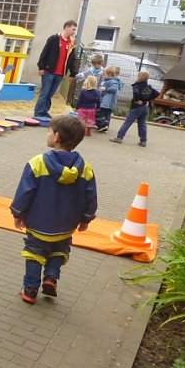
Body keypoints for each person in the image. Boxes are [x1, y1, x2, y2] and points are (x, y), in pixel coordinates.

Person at [10, 115, 97, 304]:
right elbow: (91, 195)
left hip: (39, 222)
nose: (47, 134)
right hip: (66, 224)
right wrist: (86, 218)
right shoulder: (85, 168)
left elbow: (25, 192)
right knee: (59, 250)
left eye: (49, 130)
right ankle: (50, 278)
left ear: (57, 137)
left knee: (34, 253)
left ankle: (31, 289)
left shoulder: (37, 163)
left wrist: (18, 213)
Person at [33, 20, 78, 119]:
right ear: (66, 27)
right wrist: (41, 67)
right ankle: (38, 112)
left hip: (60, 73)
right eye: (73, 29)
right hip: (49, 71)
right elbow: (44, 53)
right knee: (44, 93)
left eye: (75, 29)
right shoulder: (54, 39)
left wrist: (73, 72)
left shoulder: (72, 42)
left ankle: (45, 111)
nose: (74, 32)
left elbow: (72, 58)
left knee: (50, 94)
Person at [110, 71, 160, 147]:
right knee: (142, 124)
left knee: (128, 122)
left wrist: (137, 100)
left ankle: (119, 137)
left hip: (137, 108)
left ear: (139, 78)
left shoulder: (136, 86)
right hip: (145, 108)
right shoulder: (148, 87)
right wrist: (147, 100)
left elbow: (136, 93)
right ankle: (143, 141)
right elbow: (157, 93)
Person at [95, 66, 123, 132]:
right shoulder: (114, 81)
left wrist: (105, 89)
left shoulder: (111, 81)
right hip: (109, 103)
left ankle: (102, 125)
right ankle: (105, 126)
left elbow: (114, 89)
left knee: (98, 114)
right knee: (106, 115)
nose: (103, 76)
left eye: (104, 74)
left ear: (109, 74)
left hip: (105, 103)